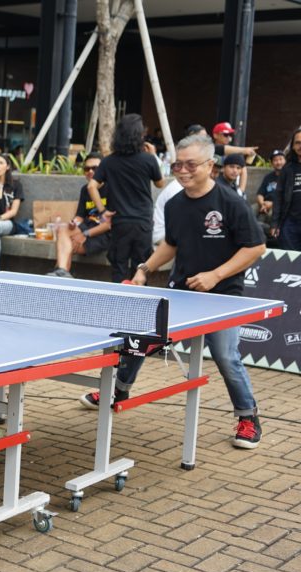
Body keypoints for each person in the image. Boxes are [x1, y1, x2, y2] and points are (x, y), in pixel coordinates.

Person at [80, 134, 266, 449]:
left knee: (225, 356)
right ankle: (118, 390)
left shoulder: (231, 202)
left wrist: (215, 275)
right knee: (140, 337)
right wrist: (144, 269)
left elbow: (256, 247)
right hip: (181, 292)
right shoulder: (175, 203)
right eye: (178, 164)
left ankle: (248, 417)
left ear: (210, 165)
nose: (182, 170)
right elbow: (171, 244)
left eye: (191, 164)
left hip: (223, 296)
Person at [90, 113, 165, 282]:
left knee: (119, 267)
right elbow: (160, 184)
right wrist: (153, 155)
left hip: (120, 221)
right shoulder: (148, 160)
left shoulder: (109, 161)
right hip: (142, 222)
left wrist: (102, 211)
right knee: (141, 268)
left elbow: (91, 186)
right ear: (140, 135)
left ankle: (119, 296)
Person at [48, 153, 111, 278]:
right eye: (87, 169)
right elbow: (80, 216)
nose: (90, 171)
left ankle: (60, 274)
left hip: (104, 234)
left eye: (95, 168)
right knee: (63, 229)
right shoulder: (85, 189)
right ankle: (62, 273)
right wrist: (74, 223)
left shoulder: (112, 188)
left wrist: (84, 234)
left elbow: (109, 225)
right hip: (87, 227)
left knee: (68, 244)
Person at [273, 127, 301, 251]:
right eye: (298, 143)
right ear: (293, 146)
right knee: (290, 257)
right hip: (290, 223)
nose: (300, 146)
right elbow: (278, 196)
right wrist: (275, 223)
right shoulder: (287, 168)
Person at [256, 149, 285, 243]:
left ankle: (272, 234)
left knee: (268, 215)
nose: (278, 162)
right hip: (264, 203)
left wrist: (272, 204)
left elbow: (287, 198)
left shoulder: (288, 177)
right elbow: (260, 194)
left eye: (280, 159)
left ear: (285, 161)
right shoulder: (268, 177)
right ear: (272, 163)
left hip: (279, 205)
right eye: (275, 160)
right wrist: (262, 204)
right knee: (249, 210)